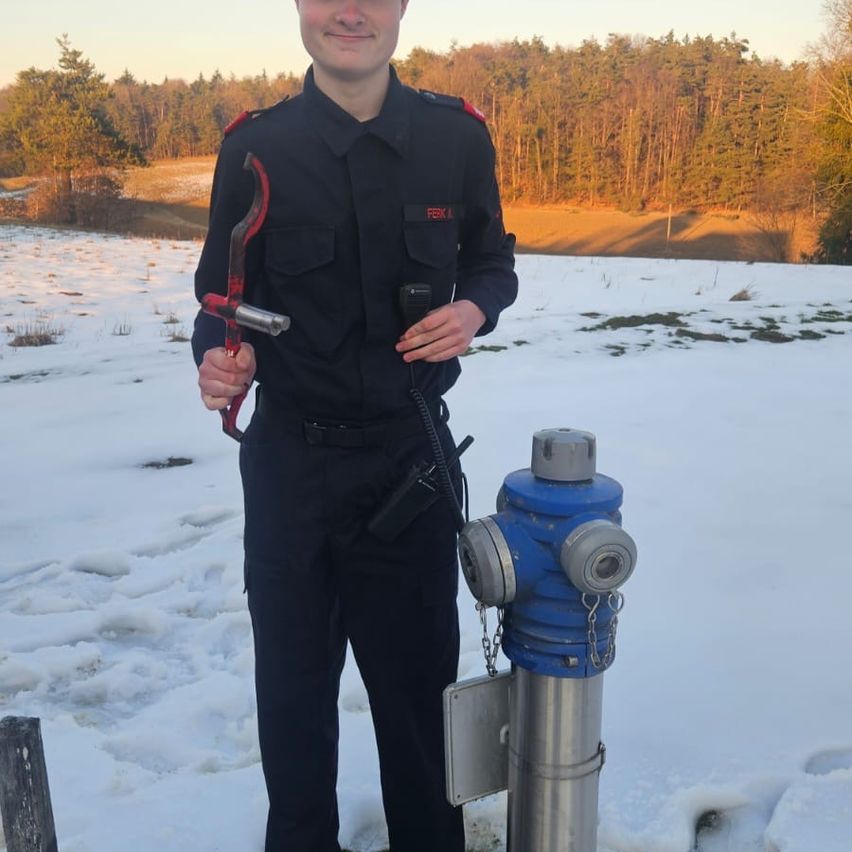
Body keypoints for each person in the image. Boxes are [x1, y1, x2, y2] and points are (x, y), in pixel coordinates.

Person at [192, 0, 517, 849]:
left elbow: (492, 260)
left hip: (409, 467)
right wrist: (220, 356)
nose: (349, 11)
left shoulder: (457, 140)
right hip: (290, 470)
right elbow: (219, 296)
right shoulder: (253, 147)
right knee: (293, 708)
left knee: (416, 712)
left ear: (403, 7)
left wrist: (476, 307)